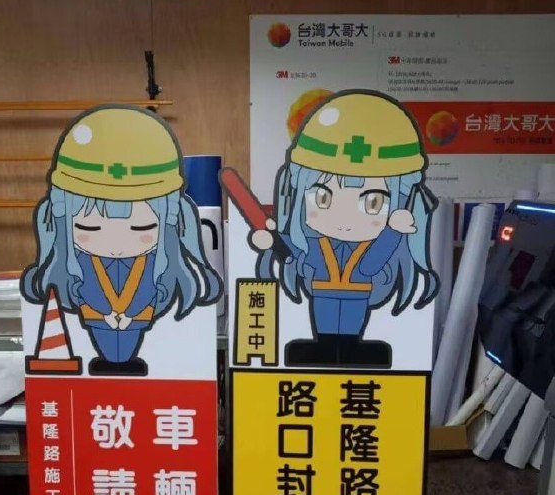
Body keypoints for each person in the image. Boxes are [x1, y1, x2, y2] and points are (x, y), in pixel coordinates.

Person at [22, 105, 221, 376]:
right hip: (97, 321)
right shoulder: (75, 264)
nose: (116, 245)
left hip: (141, 327)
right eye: (89, 227)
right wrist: (103, 313)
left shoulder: (159, 265)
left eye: (141, 227)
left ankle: (125, 359)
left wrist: (133, 314)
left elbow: (153, 291)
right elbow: (82, 290)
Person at [251, 90, 438, 367]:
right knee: (324, 324)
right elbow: (294, 253)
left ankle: (350, 349)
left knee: (351, 326)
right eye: (322, 197)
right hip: (321, 292)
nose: (344, 218)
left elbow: (374, 261)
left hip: (358, 293)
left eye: (373, 202)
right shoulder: (314, 242)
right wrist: (272, 243)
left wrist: (394, 230)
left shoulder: (367, 247)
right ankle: (325, 348)